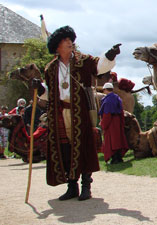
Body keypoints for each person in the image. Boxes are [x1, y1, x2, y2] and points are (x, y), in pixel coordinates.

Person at [33, 25, 121, 201]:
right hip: (60, 113)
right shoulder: (51, 68)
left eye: (71, 40)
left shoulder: (84, 61)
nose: (70, 43)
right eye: (66, 40)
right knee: (65, 148)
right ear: (57, 46)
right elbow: (49, 93)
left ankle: (86, 186)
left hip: (80, 111)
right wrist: (39, 88)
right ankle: (71, 186)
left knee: (84, 145)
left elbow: (100, 66)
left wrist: (110, 54)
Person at [99, 82, 128, 164]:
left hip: (111, 122)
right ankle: (119, 158)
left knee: (112, 141)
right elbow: (121, 112)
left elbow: (107, 114)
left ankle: (115, 158)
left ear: (105, 90)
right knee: (118, 139)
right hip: (118, 121)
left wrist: (103, 123)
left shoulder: (108, 100)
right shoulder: (117, 98)